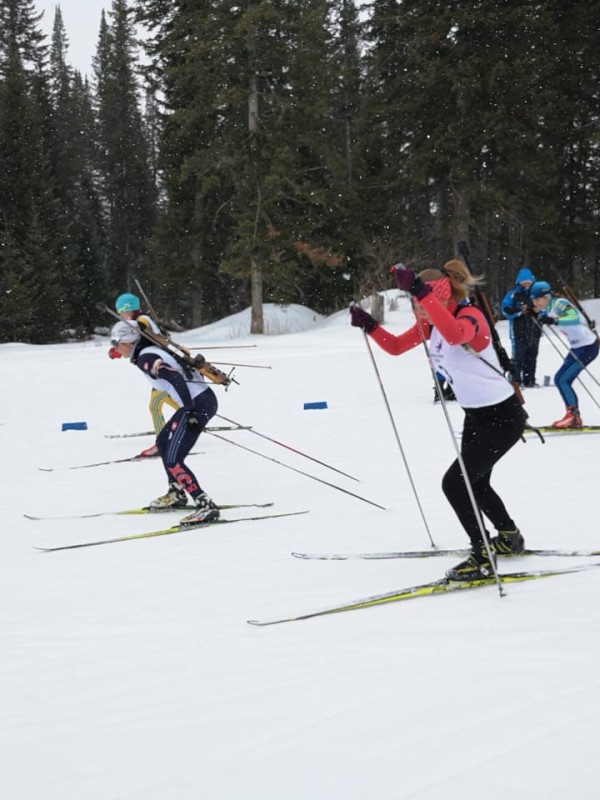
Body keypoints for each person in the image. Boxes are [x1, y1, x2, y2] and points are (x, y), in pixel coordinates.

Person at [350, 259, 527, 581]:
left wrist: (421, 291)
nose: (419, 313)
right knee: (476, 483)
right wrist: (370, 325)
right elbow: (396, 347)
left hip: (504, 415)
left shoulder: (470, 317)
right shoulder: (431, 326)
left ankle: (483, 556)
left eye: (421, 305)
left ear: (439, 297)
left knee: (455, 484)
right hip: (476, 415)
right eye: (416, 307)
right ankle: (509, 537)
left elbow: (458, 335)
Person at [109, 318, 220, 525]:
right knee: (162, 442)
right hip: (200, 401)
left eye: (116, 344)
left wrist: (189, 410)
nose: (115, 348)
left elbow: (174, 378)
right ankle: (177, 492)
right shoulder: (148, 348)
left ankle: (205, 505)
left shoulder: (145, 357)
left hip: (196, 404)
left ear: (127, 342)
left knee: (173, 459)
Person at [108, 292, 179, 457]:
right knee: (165, 401)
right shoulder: (139, 322)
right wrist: (119, 349)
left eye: (121, 312)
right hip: (159, 371)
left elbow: (148, 341)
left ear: (129, 310)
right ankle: (190, 419)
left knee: (155, 405)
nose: (121, 316)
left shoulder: (142, 321)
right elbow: (137, 343)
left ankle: (164, 443)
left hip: (162, 368)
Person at [530, 280, 599, 428]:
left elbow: (572, 318)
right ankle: (573, 415)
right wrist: (529, 311)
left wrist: (553, 320)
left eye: (537, 299)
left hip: (587, 347)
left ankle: (573, 416)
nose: (535, 303)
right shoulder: (548, 308)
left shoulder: (559, 303)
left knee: (562, 379)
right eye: (533, 300)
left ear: (546, 297)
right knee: (561, 379)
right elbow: (539, 314)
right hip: (577, 347)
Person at [500, 268, 541, 388]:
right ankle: (515, 380)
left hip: (534, 330)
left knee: (532, 356)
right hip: (518, 330)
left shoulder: (536, 293)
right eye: (524, 282)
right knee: (518, 356)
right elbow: (505, 309)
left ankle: (529, 380)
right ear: (519, 282)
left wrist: (537, 312)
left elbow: (544, 307)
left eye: (528, 282)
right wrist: (519, 311)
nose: (526, 284)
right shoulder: (513, 294)